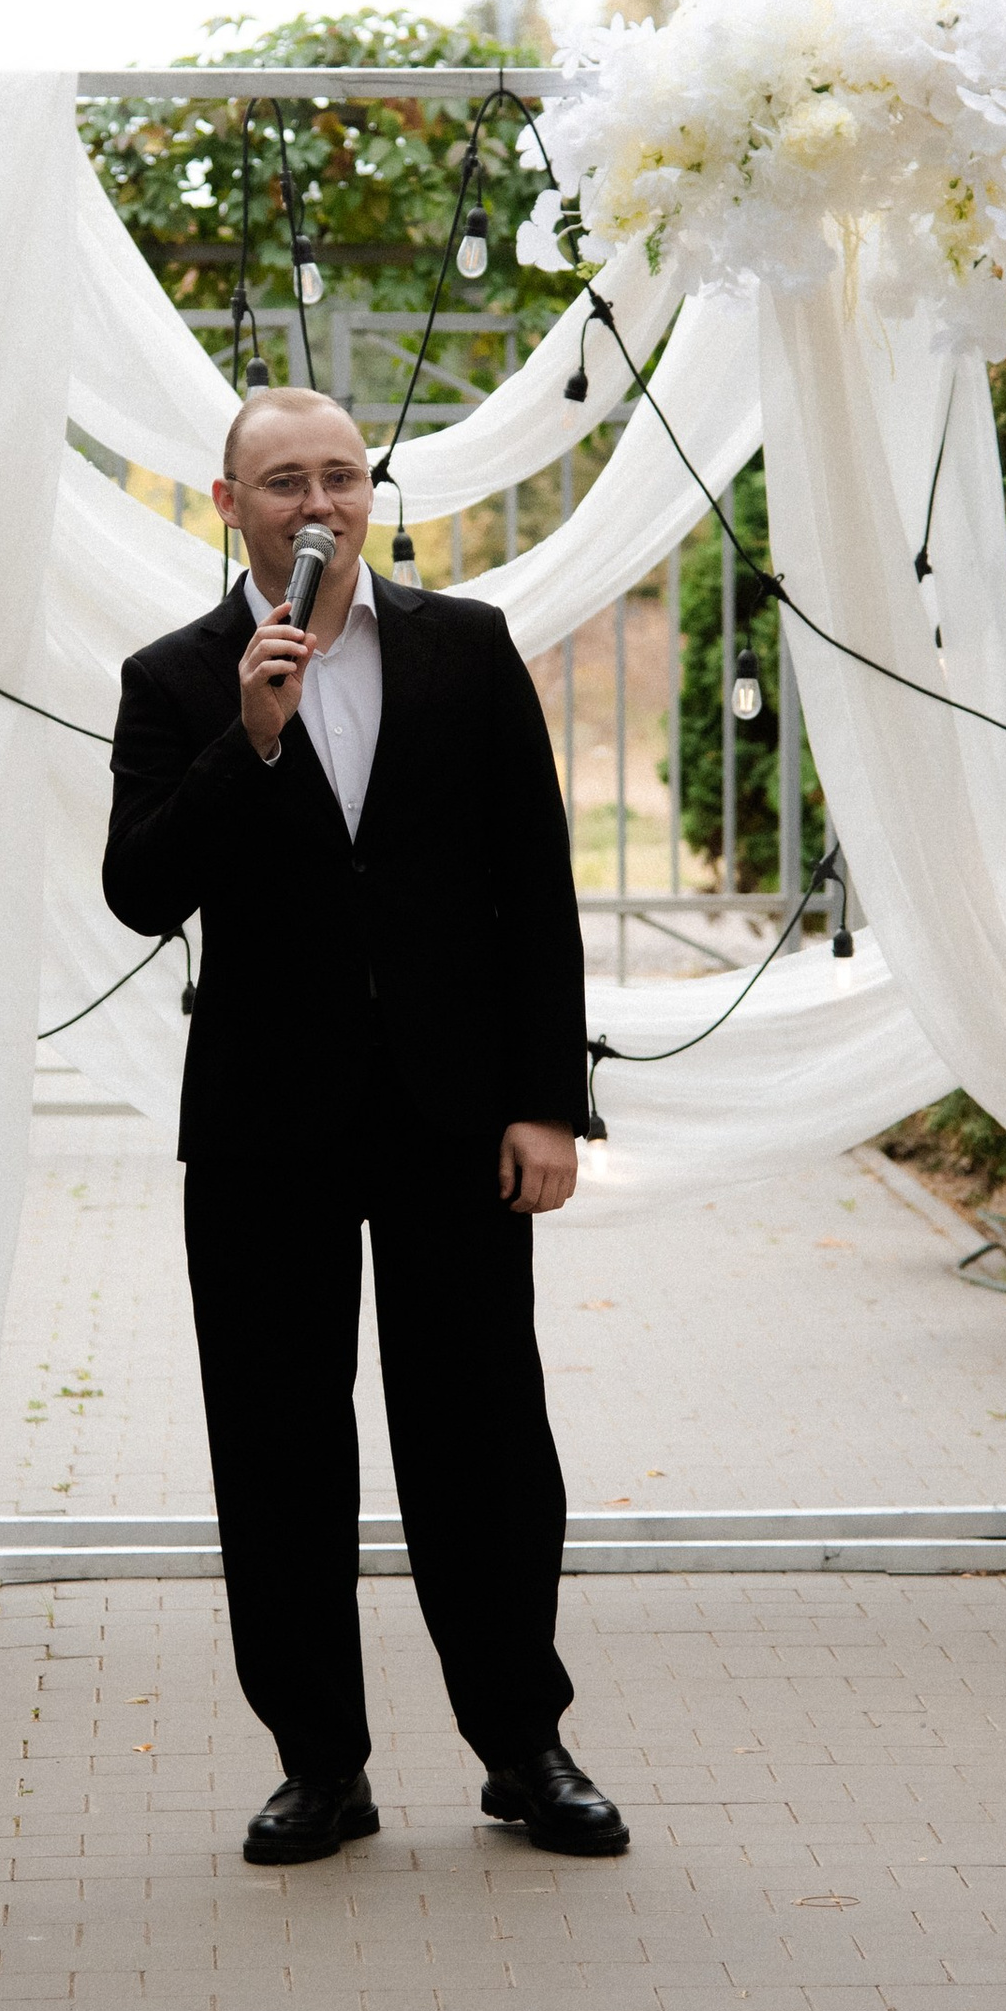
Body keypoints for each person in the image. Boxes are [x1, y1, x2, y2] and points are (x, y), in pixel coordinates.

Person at [102, 385, 627, 1866]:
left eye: (341, 475)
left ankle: (523, 1744)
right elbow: (140, 890)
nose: (319, 503)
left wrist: (547, 1102)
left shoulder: (465, 647)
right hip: (266, 1123)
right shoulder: (178, 678)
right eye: (285, 482)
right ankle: (319, 1763)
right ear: (230, 507)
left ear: (370, 496)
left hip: (454, 1115)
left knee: (484, 1434)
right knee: (277, 1444)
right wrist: (249, 739)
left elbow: (536, 886)